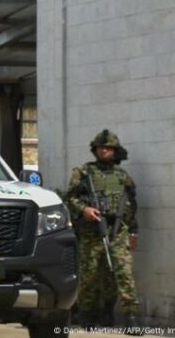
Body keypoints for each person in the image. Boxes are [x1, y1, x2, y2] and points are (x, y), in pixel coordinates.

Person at [66, 129, 141, 332]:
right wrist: (85, 209)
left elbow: (131, 205)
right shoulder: (83, 173)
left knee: (122, 274)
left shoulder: (123, 176)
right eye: (101, 148)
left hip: (118, 232)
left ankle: (131, 318)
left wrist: (133, 232)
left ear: (115, 151)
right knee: (89, 274)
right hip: (92, 232)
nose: (104, 151)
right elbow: (69, 198)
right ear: (95, 150)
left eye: (108, 148)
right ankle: (87, 315)